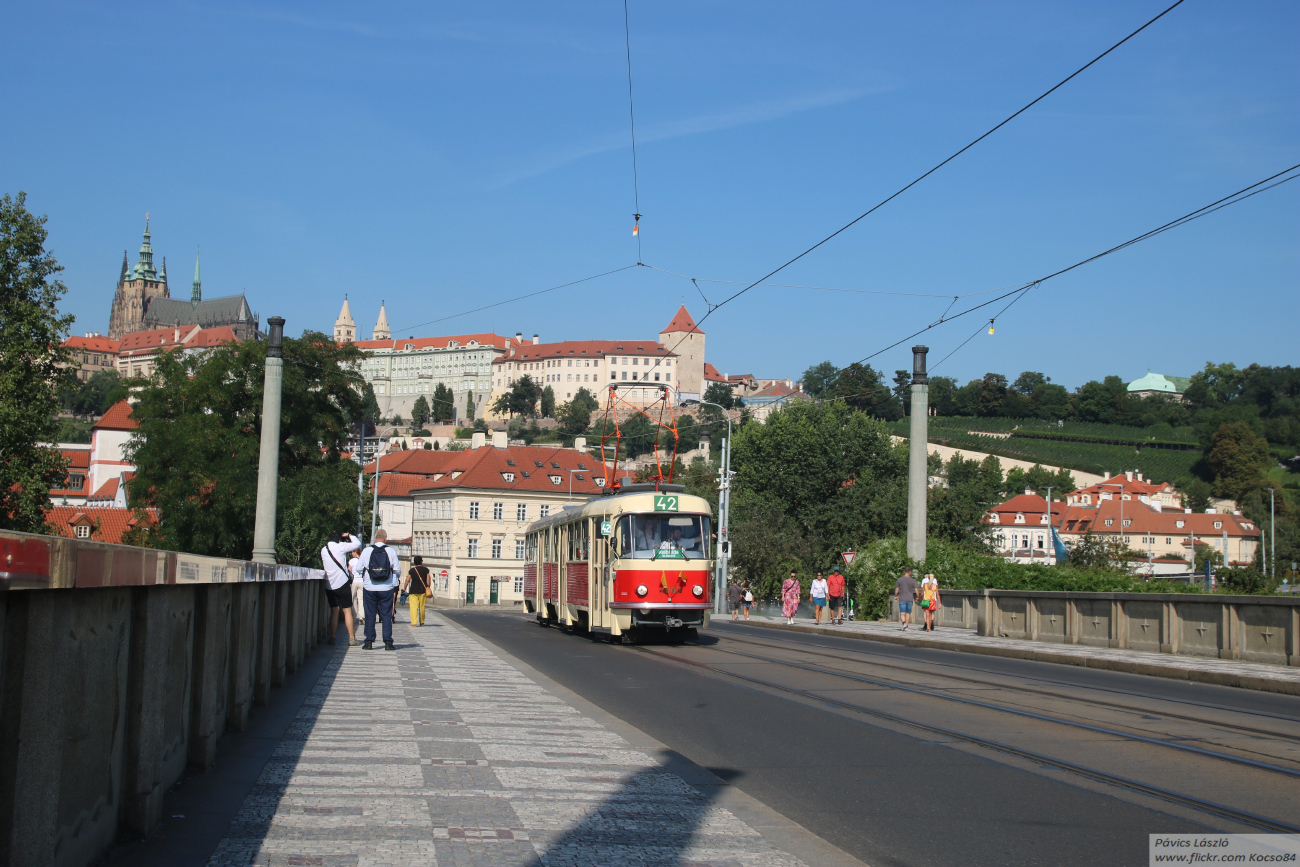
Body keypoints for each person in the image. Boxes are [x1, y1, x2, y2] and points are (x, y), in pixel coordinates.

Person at [359, 529, 401, 650]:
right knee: (386, 615)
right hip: (386, 588)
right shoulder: (390, 551)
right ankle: (388, 642)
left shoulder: (367, 550)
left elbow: (358, 568)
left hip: (369, 587)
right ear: (385, 539)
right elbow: (397, 570)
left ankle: (369, 642)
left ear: (375, 538)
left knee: (370, 614)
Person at [320, 531, 362, 646]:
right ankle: (352, 638)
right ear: (339, 540)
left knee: (334, 610)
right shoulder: (341, 546)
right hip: (342, 584)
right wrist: (349, 536)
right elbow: (357, 543)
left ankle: (332, 637)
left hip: (329, 585)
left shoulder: (324, 550)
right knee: (347, 611)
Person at [403, 555, 432, 627]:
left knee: (413, 607)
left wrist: (405, 588)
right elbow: (428, 580)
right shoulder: (426, 570)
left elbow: (407, 580)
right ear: (421, 561)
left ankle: (414, 622)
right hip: (422, 591)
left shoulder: (412, 570)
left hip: (413, 591)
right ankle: (422, 621)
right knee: (422, 607)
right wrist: (428, 587)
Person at [349, 548, 366, 630]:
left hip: (354, 581)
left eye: (352, 552)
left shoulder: (352, 561)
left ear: (355, 552)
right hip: (362, 581)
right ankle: (361, 617)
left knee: (353, 599)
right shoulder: (362, 561)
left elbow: (349, 570)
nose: (351, 553)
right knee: (361, 599)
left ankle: (354, 615)